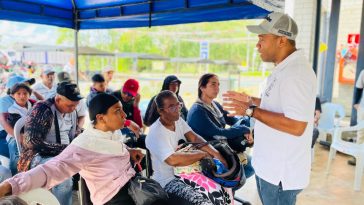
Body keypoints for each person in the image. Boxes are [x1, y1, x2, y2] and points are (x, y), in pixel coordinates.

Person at [223, 12, 317, 205]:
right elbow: (276, 105)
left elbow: (296, 126)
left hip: (280, 174)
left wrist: (250, 111)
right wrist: (251, 100)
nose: (258, 45)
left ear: (281, 40)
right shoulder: (284, 68)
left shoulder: (296, 73)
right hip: (270, 167)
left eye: (262, 39)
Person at [0, 93, 149, 205]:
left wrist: (128, 150)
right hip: (114, 198)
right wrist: (10, 186)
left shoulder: (109, 133)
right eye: (117, 111)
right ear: (101, 118)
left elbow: (108, 147)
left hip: (133, 188)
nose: (124, 115)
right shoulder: (85, 146)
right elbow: (50, 170)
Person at [146, 90, 233, 205]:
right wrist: (203, 154)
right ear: (160, 111)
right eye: (172, 107)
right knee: (206, 202)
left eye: (178, 105)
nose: (177, 109)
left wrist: (216, 154)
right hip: (168, 182)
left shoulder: (178, 121)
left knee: (224, 189)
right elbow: (172, 160)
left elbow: (195, 138)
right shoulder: (156, 133)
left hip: (187, 173)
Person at [17, 82, 85, 205]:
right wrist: (66, 149)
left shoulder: (72, 112)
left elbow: (75, 132)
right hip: (38, 156)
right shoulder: (42, 109)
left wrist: (82, 138)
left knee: (93, 162)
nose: (73, 108)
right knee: (63, 177)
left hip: (66, 153)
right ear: (58, 99)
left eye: (76, 105)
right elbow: (32, 142)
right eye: (70, 105)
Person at [187, 73, 255, 179]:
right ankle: (226, 187)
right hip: (210, 150)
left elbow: (232, 119)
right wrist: (244, 129)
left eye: (218, 84)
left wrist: (246, 122)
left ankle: (228, 188)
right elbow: (219, 133)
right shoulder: (197, 111)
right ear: (202, 88)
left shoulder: (215, 105)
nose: (217, 88)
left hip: (221, 146)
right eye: (213, 84)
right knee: (250, 166)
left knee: (247, 122)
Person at [7, 83, 34, 175]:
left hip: (32, 135)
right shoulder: (12, 110)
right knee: (17, 157)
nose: (22, 96)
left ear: (29, 94)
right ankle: (15, 178)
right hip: (15, 136)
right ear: (12, 95)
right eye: (18, 93)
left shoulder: (33, 105)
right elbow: (20, 132)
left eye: (25, 93)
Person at [350, 69, 364, 165]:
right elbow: (358, 88)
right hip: (363, 108)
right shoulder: (363, 72)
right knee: (361, 133)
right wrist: (356, 103)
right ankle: (357, 158)